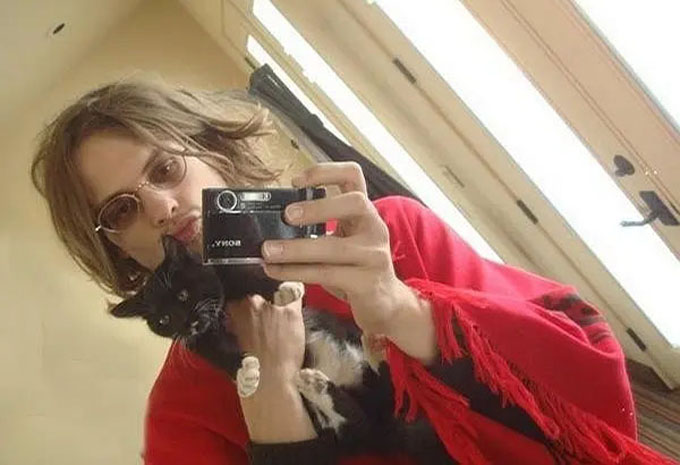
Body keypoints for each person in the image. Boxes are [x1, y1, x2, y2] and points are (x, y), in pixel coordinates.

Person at [30, 79, 675, 465]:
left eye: (166, 168)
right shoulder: (180, 413)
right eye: (121, 210)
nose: (161, 208)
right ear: (117, 248)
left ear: (210, 152)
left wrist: (406, 310)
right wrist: (275, 422)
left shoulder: (392, 232)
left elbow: (600, 406)